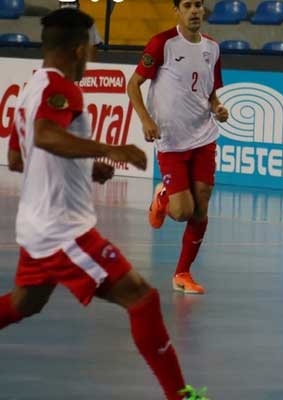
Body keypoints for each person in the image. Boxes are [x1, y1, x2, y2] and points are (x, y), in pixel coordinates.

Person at [0, 8, 206, 400]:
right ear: (79, 50)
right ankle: (181, 396)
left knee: (24, 303)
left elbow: (18, 156)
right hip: (62, 229)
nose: (91, 57)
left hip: (37, 225)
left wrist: (85, 167)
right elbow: (44, 136)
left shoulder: (31, 87)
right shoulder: (61, 88)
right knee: (142, 298)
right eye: (92, 50)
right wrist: (111, 149)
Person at [127, 0, 228, 295]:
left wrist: (218, 108)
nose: (195, 10)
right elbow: (133, 86)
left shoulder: (213, 48)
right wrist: (146, 119)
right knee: (183, 211)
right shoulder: (162, 44)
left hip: (204, 135)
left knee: (202, 206)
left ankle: (182, 273)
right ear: (178, 11)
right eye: (188, 5)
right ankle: (162, 198)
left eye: (198, 4)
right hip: (171, 139)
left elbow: (210, 93)